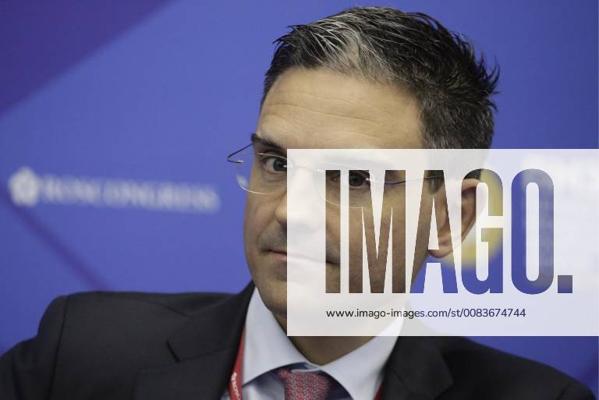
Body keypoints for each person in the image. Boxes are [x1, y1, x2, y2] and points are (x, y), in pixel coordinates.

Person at [0, 6, 595, 400]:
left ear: (450, 219)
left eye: (353, 179)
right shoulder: (79, 355)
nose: (289, 211)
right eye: (277, 163)